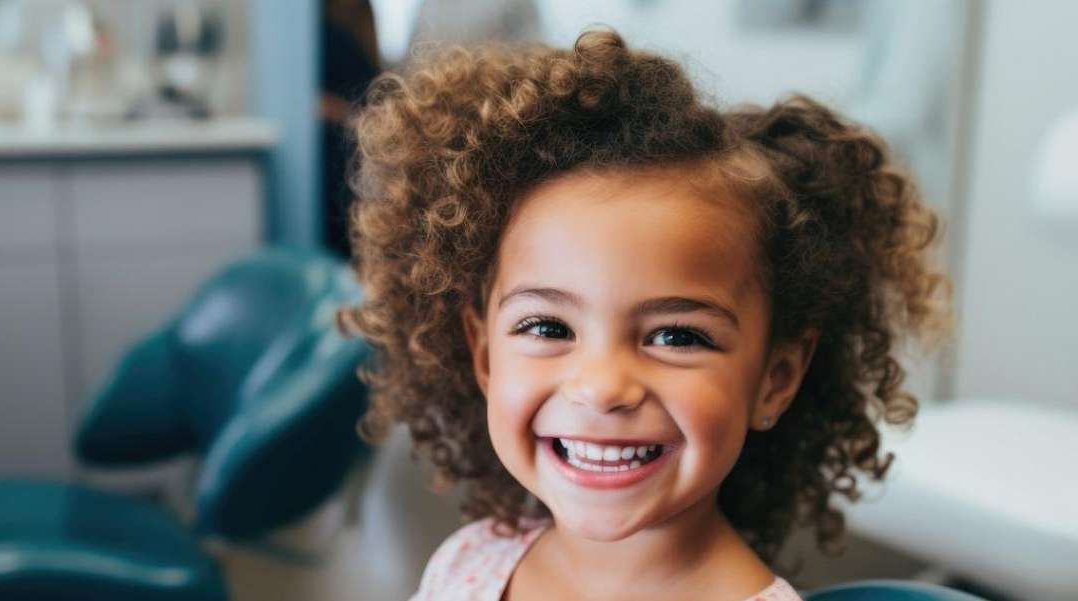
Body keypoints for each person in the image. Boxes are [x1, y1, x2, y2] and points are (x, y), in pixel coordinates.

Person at [339, 29, 946, 600]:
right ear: (485, 354)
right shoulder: (468, 563)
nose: (602, 388)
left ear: (775, 379)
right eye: (549, 327)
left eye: (676, 335)